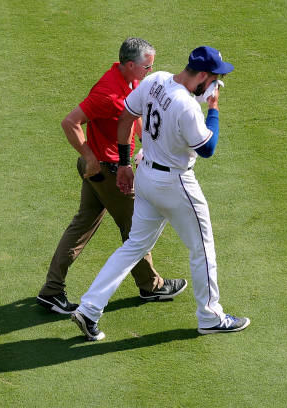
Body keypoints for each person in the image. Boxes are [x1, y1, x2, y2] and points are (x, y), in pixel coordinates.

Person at [71, 46, 251, 340]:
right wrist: (214, 109)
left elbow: (127, 116)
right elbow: (207, 148)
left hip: (146, 178)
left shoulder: (156, 81)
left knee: (133, 246)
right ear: (203, 76)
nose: (216, 84)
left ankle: (89, 308)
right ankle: (210, 316)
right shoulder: (189, 108)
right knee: (202, 248)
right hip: (175, 184)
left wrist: (125, 164)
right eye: (215, 78)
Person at [36, 38, 187, 314]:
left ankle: (52, 290)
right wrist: (89, 157)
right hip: (107, 171)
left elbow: (133, 113)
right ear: (130, 65)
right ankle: (150, 286)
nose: (150, 71)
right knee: (136, 228)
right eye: (147, 66)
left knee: (82, 225)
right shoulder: (107, 92)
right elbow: (70, 122)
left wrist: (145, 141)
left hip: (104, 170)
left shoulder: (129, 81)